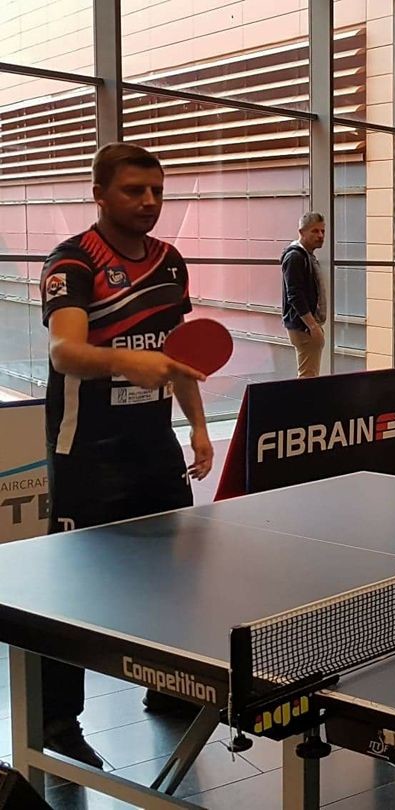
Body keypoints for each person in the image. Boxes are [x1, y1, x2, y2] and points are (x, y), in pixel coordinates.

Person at [38, 143, 215, 766]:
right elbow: (64, 353)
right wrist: (129, 360)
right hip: (86, 452)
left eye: (156, 191)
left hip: (154, 446)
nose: (148, 202)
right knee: (72, 595)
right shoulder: (71, 262)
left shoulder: (170, 262)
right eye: (134, 190)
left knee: (171, 576)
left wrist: (198, 427)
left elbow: (179, 355)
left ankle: (166, 686)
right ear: (100, 195)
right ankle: (58, 722)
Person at [280, 212, 327, 378]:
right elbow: (295, 294)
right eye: (315, 231)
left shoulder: (306, 256)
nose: (320, 235)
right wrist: (312, 326)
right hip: (304, 327)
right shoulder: (295, 257)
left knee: (309, 375)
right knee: (308, 377)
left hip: (307, 325)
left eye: (322, 231)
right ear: (301, 232)